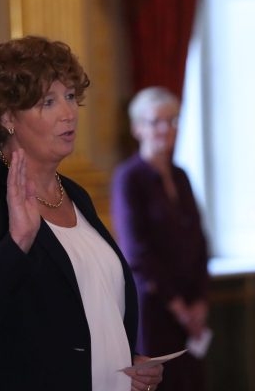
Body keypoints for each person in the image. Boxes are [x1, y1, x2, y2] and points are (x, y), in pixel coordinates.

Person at [0, 36, 163, 391]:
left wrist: (125, 364)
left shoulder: (77, 196)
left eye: (70, 97)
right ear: (7, 116)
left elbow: (87, 317)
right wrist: (17, 243)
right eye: (48, 102)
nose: (68, 113)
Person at [111, 87, 210, 391]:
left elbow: (199, 242)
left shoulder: (181, 175)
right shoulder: (129, 177)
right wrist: (178, 306)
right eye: (156, 121)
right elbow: (136, 253)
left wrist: (200, 302)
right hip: (155, 308)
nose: (167, 129)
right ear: (137, 128)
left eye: (173, 120)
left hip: (190, 307)